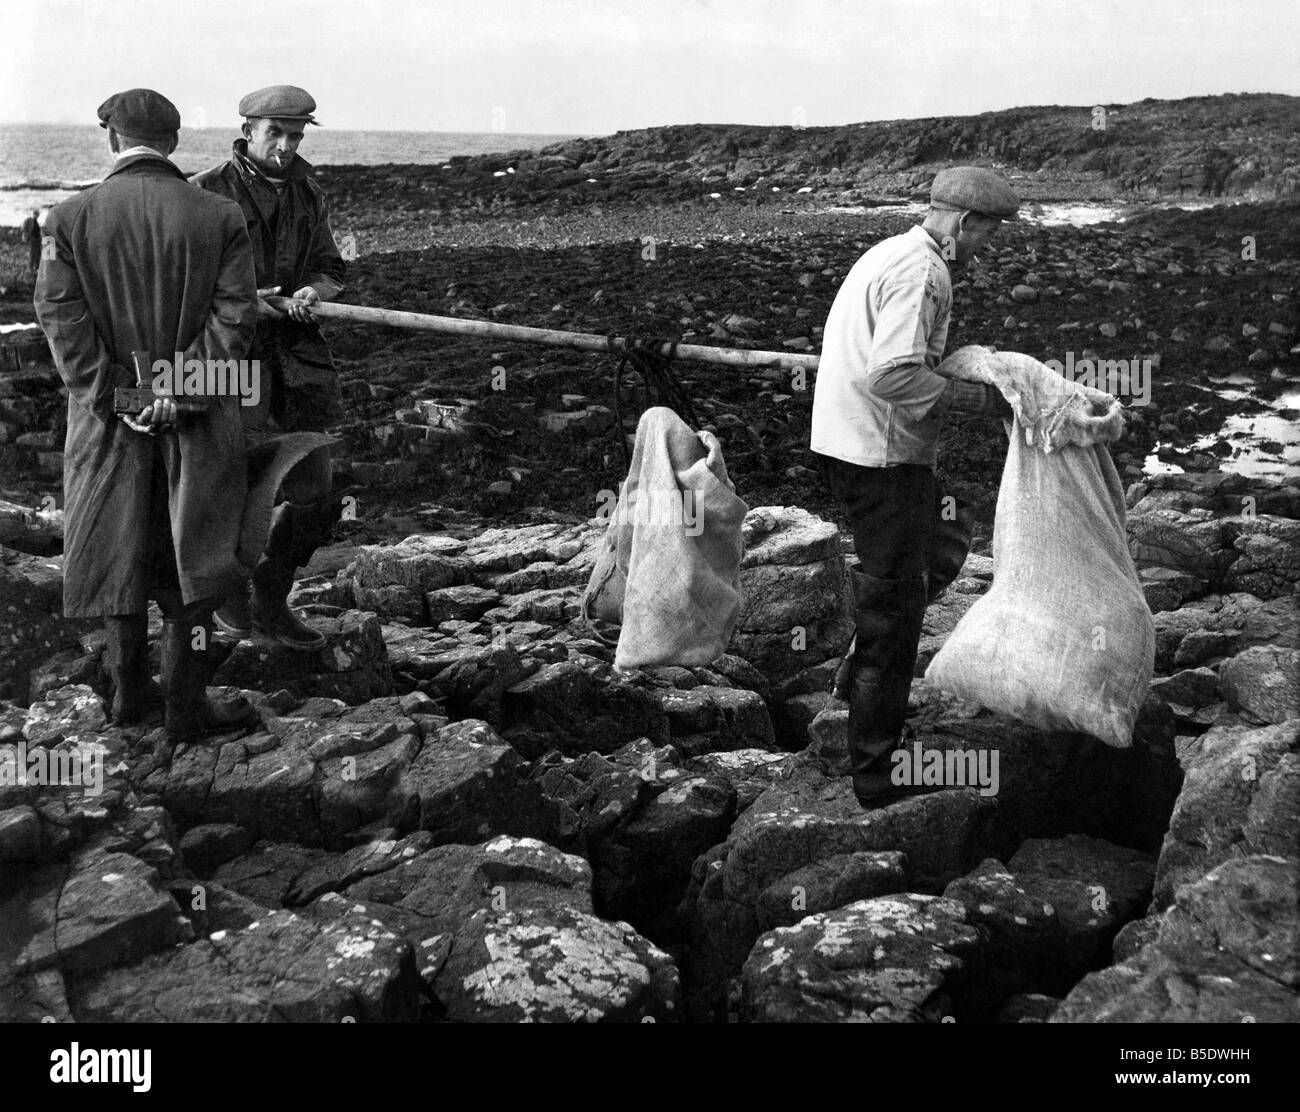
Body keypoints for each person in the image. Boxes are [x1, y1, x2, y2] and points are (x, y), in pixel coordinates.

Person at [33, 88, 260, 741]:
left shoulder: (64, 220)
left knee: (117, 549)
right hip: (198, 417)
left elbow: (61, 325)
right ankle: (187, 705)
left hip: (106, 426)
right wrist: (175, 393)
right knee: (194, 553)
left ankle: (129, 693)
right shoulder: (221, 217)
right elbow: (235, 322)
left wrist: (120, 399)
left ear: (111, 139)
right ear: (174, 143)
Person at [809, 166, 1018, 808]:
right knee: (896, 608)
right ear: (962, 223)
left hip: (847, 445)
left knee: (944, 539)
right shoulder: (924, 271)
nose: (986, 248)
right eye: (986, 234)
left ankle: (852, 692)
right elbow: (893, 373)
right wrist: (980, 403)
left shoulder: (889, 249)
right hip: (881, 457)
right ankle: (878, 771)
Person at [190, 85, 347, 651]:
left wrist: (314, 290)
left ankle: (272, 596)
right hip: (228, 362)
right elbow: (184, 286)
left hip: (298, 361)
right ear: (249, 131)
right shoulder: (206, 192)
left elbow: (331, 267)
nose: (284, 146)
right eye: (274, 134)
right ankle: (229, 600)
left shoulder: (308, 194)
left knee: (316, 487)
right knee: (229, 482)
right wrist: (238, 298)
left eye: (295, 135)